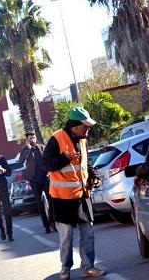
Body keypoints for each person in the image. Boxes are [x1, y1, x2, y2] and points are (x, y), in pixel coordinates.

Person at [43, 106, 105, 280]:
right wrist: (64, 159)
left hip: (82, 195)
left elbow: (86, 163)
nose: (88, 128)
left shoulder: (82, 140)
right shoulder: (56, 139)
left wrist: (93, 176)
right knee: (66, 237)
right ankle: (65, 269)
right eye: (85, 126)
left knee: (88, 233)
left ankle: (88, 267)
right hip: (62, 198)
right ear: (75, 126)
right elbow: (46, 164)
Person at [18, 131, 55, 234]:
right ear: (27, 140)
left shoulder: (42, 147)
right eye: (30, 138)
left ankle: (53, 224)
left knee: (50, 200)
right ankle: (46, 226)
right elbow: (21, 161)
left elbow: (49, 160)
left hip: (45, 178)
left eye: (33, 138)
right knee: (40, 204)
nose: (32, 140)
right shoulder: (25, 150)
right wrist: (28, 149)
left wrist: (49, 171)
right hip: (34, 180)